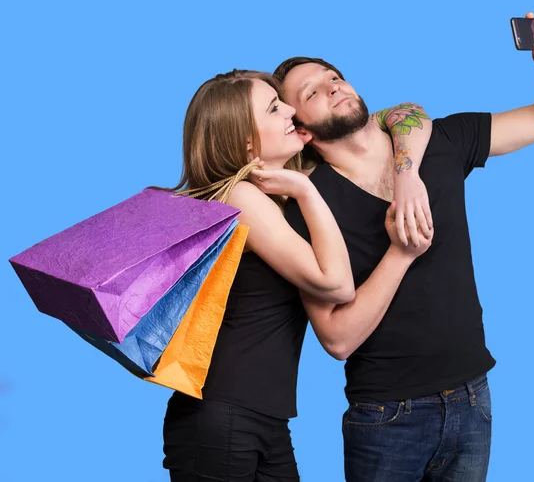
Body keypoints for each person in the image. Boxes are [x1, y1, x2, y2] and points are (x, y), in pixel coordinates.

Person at [275, 11, 534, 482]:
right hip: (386, 417)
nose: (333, 87)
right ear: (302, 128)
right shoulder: (306, 205)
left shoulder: (441, 139)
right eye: (312, 92)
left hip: (473, 398)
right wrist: (401, 253)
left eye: (334, 77)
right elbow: (336, 340)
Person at [162, 69, 434, 481]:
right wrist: (308, 191)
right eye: (274, 108)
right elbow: (337, 284)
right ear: (247, 142)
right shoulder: (240, 198)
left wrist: (405, 172)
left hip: (259, 416)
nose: (291, 110)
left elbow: (404, 114)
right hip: (221, 414)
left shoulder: (276, 194)